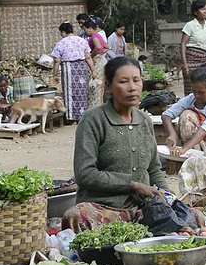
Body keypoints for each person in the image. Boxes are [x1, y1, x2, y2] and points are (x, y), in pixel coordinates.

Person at [64, 57, 171, 233]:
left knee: (195, 217)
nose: (132, 87)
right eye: (123, 82)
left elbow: (153, 170)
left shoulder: (144, 121)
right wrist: (132, 184)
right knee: (75, 216)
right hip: (104, 207)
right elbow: (85, 174)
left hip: (142, 207)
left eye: (136, 80)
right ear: (109, 86)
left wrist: (168, 197)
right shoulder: (93, 120)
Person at [162, 66, 206, 156]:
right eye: (194, 91)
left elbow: (203, 131)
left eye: (201, 92)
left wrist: (184, 149)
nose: (196, 95)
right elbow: (166, 115)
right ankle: (190, 153)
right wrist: (172, 134)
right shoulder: (191, 99)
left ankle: (194, 155)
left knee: (187, 116)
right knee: (186, 115)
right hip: (196, 142)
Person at [52, 22, 95, 122]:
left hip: (69, 69)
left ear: (63, 32)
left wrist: (55, 74)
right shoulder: (82, 41)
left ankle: (71, 116)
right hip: (82, 68)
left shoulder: (61, 43)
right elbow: (88, 57)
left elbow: (57, 60)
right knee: (82, 92)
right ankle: (82, 115)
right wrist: (93, 70)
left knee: (69, 92)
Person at [181, 0, 206, 95]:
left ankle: (205, 108)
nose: (205, 11)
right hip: (191, 60)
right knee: (191, 87)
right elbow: (183, 44)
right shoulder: (190, 26)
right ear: (196, 12)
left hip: (205, 60)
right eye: (202, 9)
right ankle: (191, 108)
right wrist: (185, 64)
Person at [84, 19, 108, 108]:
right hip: (101, 60)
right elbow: (106, 47)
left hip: (97, 62)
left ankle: (93, 107)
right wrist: (101, 54)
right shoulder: (99, 35)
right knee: (99, 86)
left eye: (85, 29)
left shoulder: (94, 37)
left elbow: (98, 47)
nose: (85, 32)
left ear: (90, 28)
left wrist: (92, 55)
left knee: (94, 86)